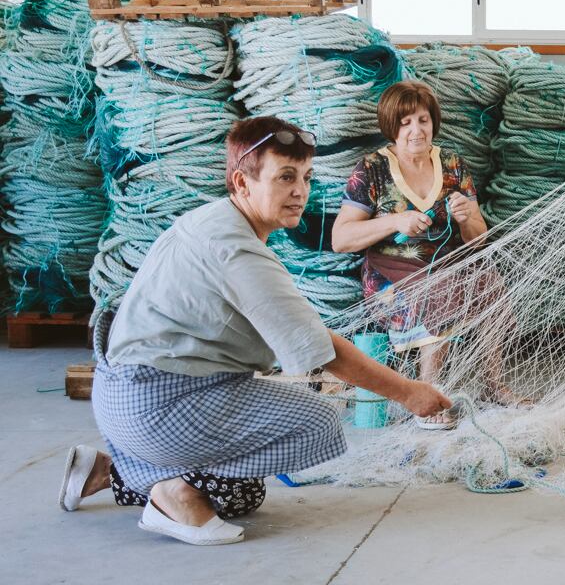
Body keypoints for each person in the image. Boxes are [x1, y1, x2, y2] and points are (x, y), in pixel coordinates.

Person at [58, 116, 450, 546]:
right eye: (285, 177)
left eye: (305, 176)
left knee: (243, 493)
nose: (300, 190)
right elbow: (322, 350)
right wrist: (410, 393)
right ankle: (167, 489)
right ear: (242, 183)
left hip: (121, 395)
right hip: (154, 404)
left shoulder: (211, 220)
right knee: (317, 421)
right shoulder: (238, 251)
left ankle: (102, 471)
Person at [331, 80, 491, 429]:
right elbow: (340, 239)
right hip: (389, 274)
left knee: (490, 284)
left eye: (423, 120)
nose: (416, 131)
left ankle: (496, 384)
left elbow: (479, 240)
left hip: (445, 263)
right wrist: (395, 220)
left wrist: (466, 219)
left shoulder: (452, 165)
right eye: (406, 123)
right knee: (440, 289)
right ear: (392, 127)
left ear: (434, 121)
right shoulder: (371, 169)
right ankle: (428, 397)